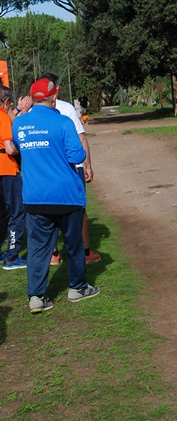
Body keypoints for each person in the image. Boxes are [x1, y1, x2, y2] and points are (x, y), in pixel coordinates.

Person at [12, 77, 100, 313]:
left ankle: (37, 297)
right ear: (55, 95)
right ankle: (78, 287)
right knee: (73, 244)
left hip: (34, 197)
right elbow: (76, 156)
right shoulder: (62, 122)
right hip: (66, 195)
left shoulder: (20, 124)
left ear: (32, 97)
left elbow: (17, 149)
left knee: (38, 248)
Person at [39, 73, 101, 266]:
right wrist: (88, 165)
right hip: (72, 168)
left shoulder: (34, 112)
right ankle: (84, 252)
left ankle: (54, 254)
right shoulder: (66, 108)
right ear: (55, 90)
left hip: (46, 169)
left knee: (49, 211)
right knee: (79, 208)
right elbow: (81, 137)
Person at [0, 86, 31, 270]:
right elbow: (10, 147)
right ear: (5, 102)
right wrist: (25, 148)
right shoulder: (2, 117)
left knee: (2, 213)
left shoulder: (5, 116)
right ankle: (12, 257)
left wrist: (19, 111)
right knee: (17, 212)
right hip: (8, 170)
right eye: (10, 105)